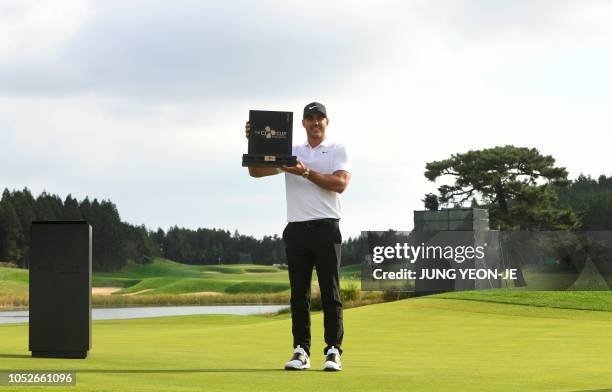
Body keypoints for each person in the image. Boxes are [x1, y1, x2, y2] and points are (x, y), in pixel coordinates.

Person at [244, 102, 351, 371]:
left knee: (331, 293)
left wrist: (305, 171)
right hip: (297, 229)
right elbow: (256, 171)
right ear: (302, 124)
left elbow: (340, 184)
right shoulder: (289, 152)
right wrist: (254, 141)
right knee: (298, 295)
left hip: (327, 227)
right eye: (310, 119)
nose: (315, 123)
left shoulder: (337, 150)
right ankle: (301, 350)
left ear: (327, 122)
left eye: (320, 118)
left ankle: (333, 351)